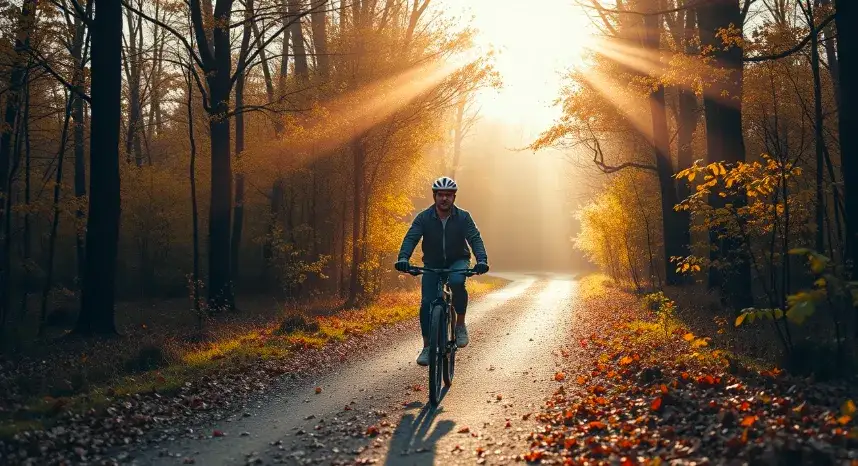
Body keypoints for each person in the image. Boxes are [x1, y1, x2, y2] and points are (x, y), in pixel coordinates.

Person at [394, 176, 490, 366]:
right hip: (432, 263)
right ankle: (427, 346)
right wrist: (403, 258)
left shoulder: (463, 217)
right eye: (440, 195)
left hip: (458, 260)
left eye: (448, 195)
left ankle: (460, 324)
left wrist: (482, 260)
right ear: (434, 196)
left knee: (456, 282)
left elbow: (475, 239)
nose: (444, 198)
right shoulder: (424, 217)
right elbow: (411, 238)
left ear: (454, 197)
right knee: (426, 303)